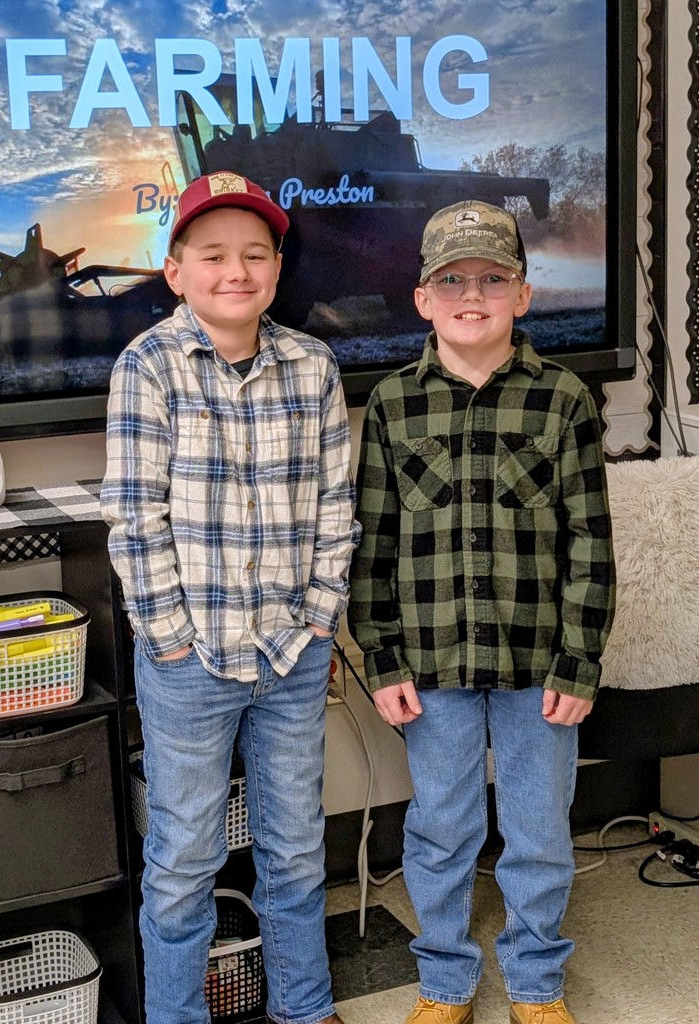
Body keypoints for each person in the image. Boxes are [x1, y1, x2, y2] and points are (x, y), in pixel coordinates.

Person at [100, 171, 360, 1024]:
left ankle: (304, 1007)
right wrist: (170, 639)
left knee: (296, 848)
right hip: (190, 663)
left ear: (278, 269)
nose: (235, 271)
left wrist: (319, 620)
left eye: (254, 254)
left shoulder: (313, 366)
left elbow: (334, 508)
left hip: (291, 654)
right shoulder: (148, 366)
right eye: (212, 255)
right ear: (175, 271)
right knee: (184, 861)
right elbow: (134, 517)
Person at [347, 200, 615, 1024]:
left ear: (523, 295)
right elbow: (373, 544)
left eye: (493, 280)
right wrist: (381, 659)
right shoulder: (392, 404)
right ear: (422, 299)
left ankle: (536, 983)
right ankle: (445, 981)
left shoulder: (564, 399)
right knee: (441, 828)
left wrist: (579, 662)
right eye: (453, 281)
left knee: (539, 832)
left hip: (541, 666)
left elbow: (591, 543)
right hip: (431, 666)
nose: (473, 296)